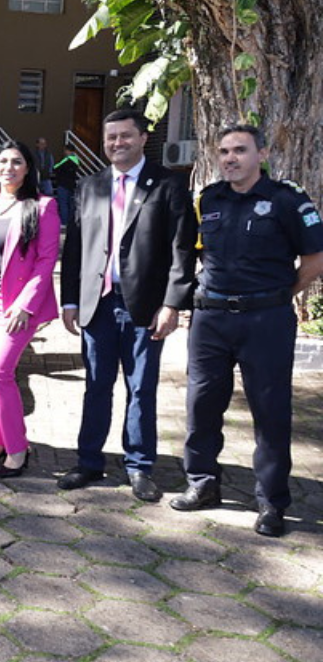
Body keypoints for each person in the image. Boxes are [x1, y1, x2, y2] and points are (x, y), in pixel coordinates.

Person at [171, 124, 323, 537]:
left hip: (265, 321)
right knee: (201, 405)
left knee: (270, 413)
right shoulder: (208, 199)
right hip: (211, 319)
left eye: (239, 150)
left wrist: (278, 295)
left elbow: (314, 259)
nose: (230, 158)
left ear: (262, 153)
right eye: (223, 151)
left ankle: (272, 502)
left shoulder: (287, 200)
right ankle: (201, 483)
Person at [59, 109, 197, 502]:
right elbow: (76, 251)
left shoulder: (167, 186)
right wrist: (70, 300)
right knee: (96, 386)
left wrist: (172, 304)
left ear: (142, 138)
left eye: (124, 136)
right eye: (110, 137)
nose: (116, 143)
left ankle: (138, 466)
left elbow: (181, 250)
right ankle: (88, 462)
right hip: (97, 306)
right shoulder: (89, 185)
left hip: (145, 307)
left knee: (141, 389)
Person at [0, 143, 60, 479]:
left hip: (14, 307)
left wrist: (25, 305)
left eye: (17, 162)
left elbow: (47, 261)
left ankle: (17, 448)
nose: (8, 167)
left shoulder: (43, 207)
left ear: (28, 169)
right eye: (2, 161)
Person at [53, 142, 81, 226]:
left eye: (65, 150)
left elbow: (56, 167)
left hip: (63, 184)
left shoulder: (67, 159)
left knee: (63, 204)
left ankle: (64, 222)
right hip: (72, 185)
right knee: (71, 204)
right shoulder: (76, 160)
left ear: (68, 150)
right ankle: (70, 223)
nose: (64, 152)